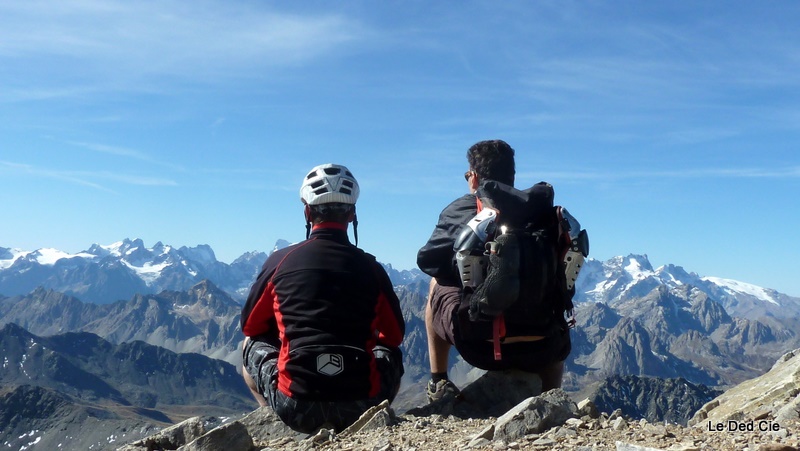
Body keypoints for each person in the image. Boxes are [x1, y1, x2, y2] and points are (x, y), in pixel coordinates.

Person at [241, 163, 405, 433]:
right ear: (352, 214)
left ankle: (274, 419)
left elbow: (251, 327)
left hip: (295, 406)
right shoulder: (372, 269)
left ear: (307, 211)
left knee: (250, 344)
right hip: (362, 403)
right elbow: (394, 337)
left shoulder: (279, 262)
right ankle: (371, 421)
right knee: (392, 354)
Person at [417, 139, 572, 402]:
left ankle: (439, 382)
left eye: (467, 175)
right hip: (545, 348)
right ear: (512, 177)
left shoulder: (463, 210)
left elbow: (429, 261)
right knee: (551, 292)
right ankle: (550, 396)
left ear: (474, 177)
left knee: (436, 283)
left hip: (480, 346)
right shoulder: (544, 214)